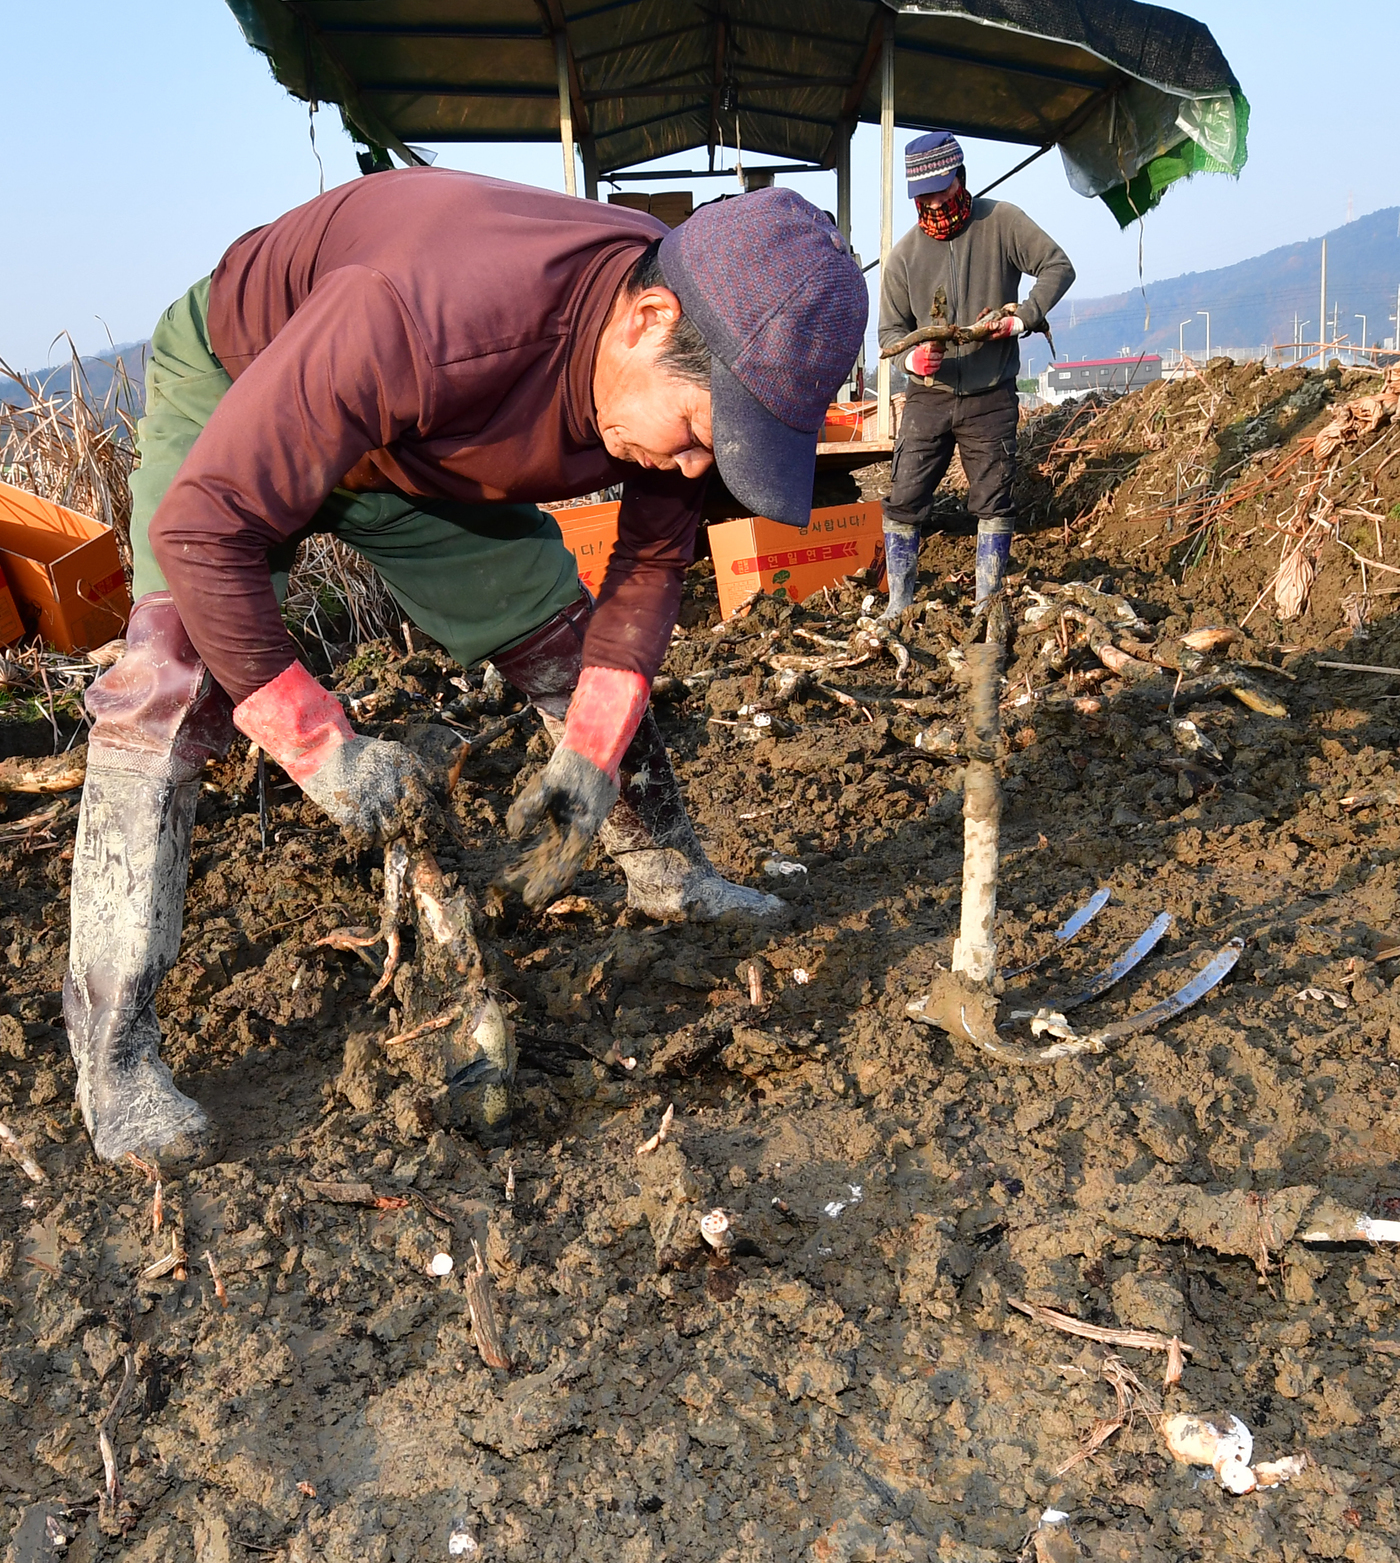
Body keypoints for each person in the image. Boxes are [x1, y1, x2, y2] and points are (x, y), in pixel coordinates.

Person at [66, 173, 866, 1172]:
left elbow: (651, 567)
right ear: (644, 320)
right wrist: (321, 749)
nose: (697, 468)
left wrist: (589, 756)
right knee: (171, 681)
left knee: (560, 638)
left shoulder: (678, 352)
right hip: (251, 375)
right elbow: (203, 525)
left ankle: (668, 872)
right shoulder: (426, 315)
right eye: (701, 433)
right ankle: (115, 1056)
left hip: (419, 455)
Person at [878, 132, 1073, 612]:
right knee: (904, 497)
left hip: (990, 396)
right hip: (928, 397)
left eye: (940, 192)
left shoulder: (1000, 222)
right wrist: (911, 359)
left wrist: (1023, 317)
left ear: (960, 179)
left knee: (993, 498)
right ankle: (899, 602)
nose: (932, 204)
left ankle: (989, 601)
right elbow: (888, 333)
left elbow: (1057, 266)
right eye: (922, 197)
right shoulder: (903, 256)